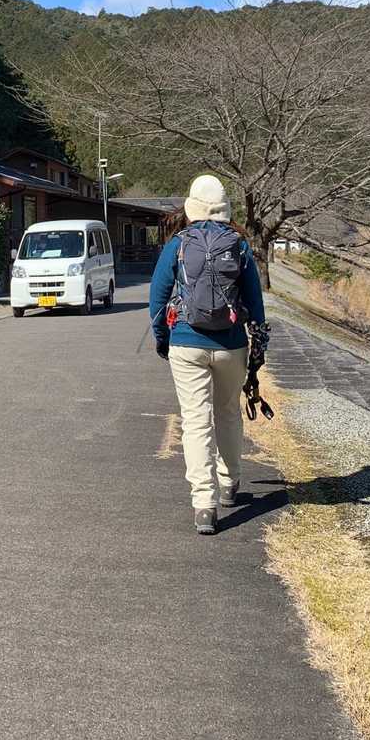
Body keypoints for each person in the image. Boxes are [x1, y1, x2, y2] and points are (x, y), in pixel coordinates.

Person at [149, 175, 268, 535]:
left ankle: (204, 505)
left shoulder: (178, 244)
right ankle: (229, 483)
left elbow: (157, 299)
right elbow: (255, 302)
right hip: (231, 345)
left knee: (196, 421)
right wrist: (257, 345)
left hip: (187, 343)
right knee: (228, 412)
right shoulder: (239, 244)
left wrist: (163, 339)